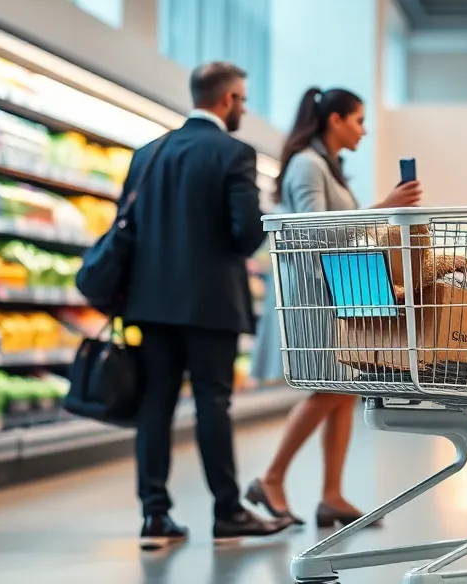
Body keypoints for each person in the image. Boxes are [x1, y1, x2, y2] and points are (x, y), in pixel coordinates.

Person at [121, 62, 284, 549]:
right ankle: (227, 510)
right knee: (213, 404)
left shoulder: (147, 153)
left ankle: (154, 517)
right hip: (210, 303)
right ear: (229, 99)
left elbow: (127, 226)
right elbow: (246, 234)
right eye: (243, 100)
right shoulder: (233, 154)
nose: (245, 109)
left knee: (155, 405)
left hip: (149, 302)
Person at [249, 87, 423, 527]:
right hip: (312, 294)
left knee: (344, 389)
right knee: (330, 387)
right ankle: (270, 478)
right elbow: (316, 233)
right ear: (335, 120)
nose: (364, 130)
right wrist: (384, 207)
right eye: (359, 120)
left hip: (336, 289)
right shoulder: (307, 165)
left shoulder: (326, 166)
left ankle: (332, 495)